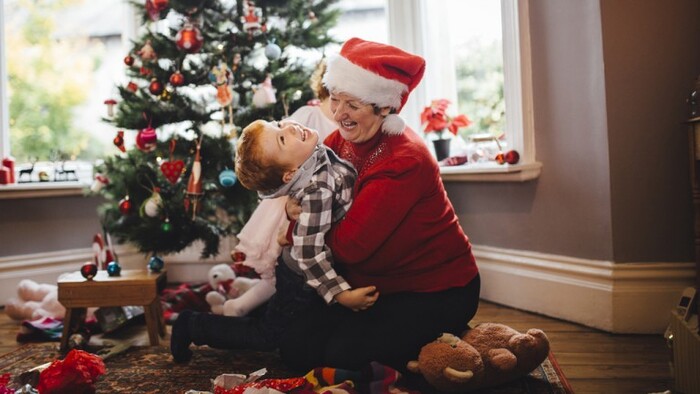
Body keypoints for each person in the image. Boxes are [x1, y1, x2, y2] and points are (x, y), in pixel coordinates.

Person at [276, 37, 481, 373]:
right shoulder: (339, 140)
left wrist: (302, 225)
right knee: (294, 347)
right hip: (370, 287)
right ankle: (418, 346)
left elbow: (350, 246)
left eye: (352, 104)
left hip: (435, 289)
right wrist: (295, 211)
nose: (338, 114)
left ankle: (451, 346)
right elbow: (304, 196)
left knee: (342, 355)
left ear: (384, 106)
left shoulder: (404, 160)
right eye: (335, 99)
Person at [170, 119, 378, 363]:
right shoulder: (317, 189)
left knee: (298, 332)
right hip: (301, 278)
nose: (289, 128)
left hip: (307, 273)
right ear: (290, 172)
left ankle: (265, 310)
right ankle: (193, 325)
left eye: (278, 124)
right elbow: (308, 253)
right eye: (282, 138)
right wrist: (341, 295)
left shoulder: (311, 156)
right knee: (268, 335)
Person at [222, 59, 338, 317]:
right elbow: (274, 156)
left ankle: (251, 294)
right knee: (278, 264)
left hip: (320, 205)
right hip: (288, 206)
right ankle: (242, 305)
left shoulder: (349, 126)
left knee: (284, 268)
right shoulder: (308, 117)